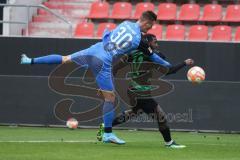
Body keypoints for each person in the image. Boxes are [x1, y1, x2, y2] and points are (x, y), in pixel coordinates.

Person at [20, 10, 172, 145]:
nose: (149, 29)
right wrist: (167, 64)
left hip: (94, 50)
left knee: (64, 58)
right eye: (150, 26)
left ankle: (29, 60)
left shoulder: (125, 23)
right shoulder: (139, 39)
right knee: (110, 99)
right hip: (104, 61)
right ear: (146, 22)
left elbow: (109, 35)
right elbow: (154, 58)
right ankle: (107, 134)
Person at [96, 34, 194, 148]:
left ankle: (106, 126)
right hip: (141, 92)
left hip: (132, 90)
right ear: (148, 43)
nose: (157, 44)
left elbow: (115, 68)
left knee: (134, 112)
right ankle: (169, 143)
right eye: (155, 42)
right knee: (161, 117)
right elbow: (169, 71)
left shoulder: (131, 54)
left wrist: (106, 84)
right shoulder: (153, 56)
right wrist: (184, 63)